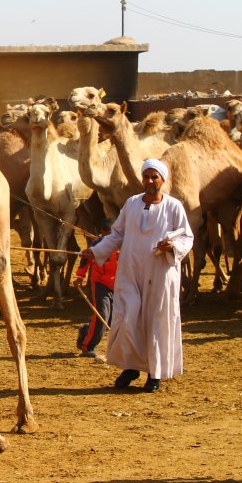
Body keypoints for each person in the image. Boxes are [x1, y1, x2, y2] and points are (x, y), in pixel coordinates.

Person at [79, 158, 193, 393]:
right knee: (127, 316)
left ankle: (155, 373)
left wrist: (170, 247)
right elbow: (117, 234)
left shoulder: (173, 207)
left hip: (160, 273)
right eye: (146, 177)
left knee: (155, 320)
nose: (150, 181)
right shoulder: (131, 204)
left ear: (163, 180)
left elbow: (186, 238)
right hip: (130, 271)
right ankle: (130, 366)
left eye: (154, 177)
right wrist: (96, 250)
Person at [73, 218, 118, 357]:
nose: (108, 239)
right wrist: (80, 276)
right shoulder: (96, 245)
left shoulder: (124, 244)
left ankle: (87, 329)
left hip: (119, 284)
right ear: (101, 233)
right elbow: (85, 259)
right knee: (102, 315)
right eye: (105, 235)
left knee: (112, 318)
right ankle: (88, 346)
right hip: (100, 284)